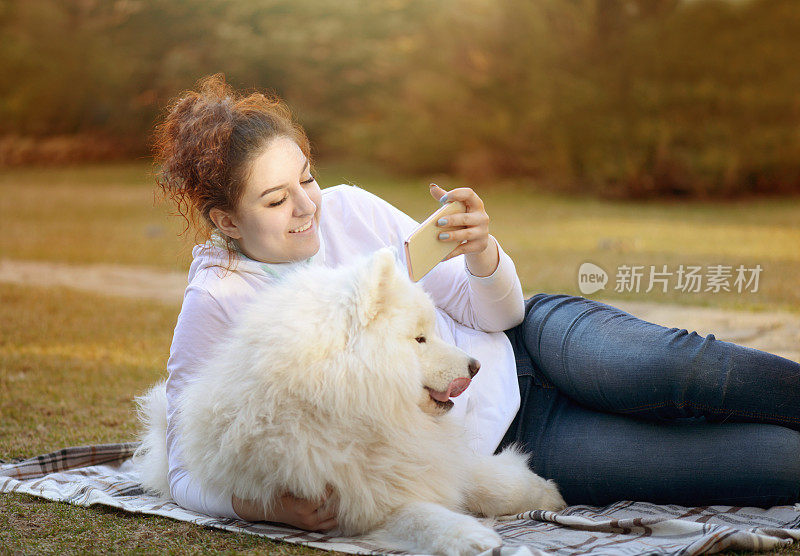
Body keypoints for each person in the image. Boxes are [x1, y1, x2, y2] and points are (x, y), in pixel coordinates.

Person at [152, 74, 800, 532]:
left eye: (307, 178)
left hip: (533, 341)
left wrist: (483, 254)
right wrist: (266, 508)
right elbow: (186, 467)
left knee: (680, 371)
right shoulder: (219, 301)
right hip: (512, 445)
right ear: (226, 220)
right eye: (275, 200)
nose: (307, 206)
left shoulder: (351, 211)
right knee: (772, 465)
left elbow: (499, 313)